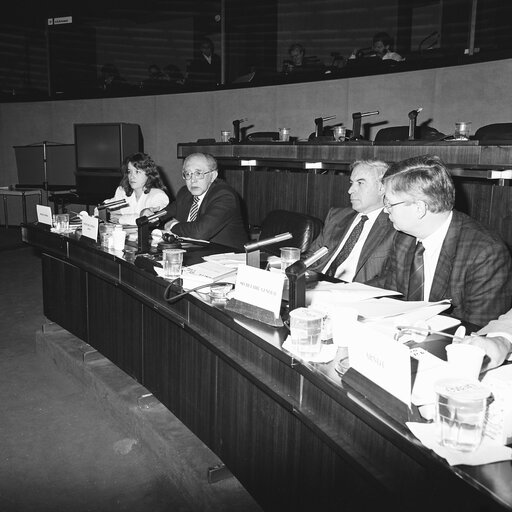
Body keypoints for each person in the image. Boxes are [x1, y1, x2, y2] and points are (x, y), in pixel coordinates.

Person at [378, 154, 512, 326]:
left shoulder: (486, 253)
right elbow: (392, 303)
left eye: (389, 203)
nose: (385, 210)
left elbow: (480, 332)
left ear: (419, 208)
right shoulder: (403, 238)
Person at [303, 160, 395, 282]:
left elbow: (390, 279)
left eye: (360, 183)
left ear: (382, 188)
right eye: (351, 183)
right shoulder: (336, 216)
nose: (350, 190)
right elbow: (312, 257)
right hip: (316, 284)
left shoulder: (395, 226)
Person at [162, 153, 248, 250]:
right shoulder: (185, 193)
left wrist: (173, 225)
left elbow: (200, 232)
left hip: (226, 257)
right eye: (188, 174)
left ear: (213, 176)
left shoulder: (225, 196)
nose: (192, 180)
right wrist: (151, 215)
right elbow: (165, 213)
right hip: (193, 254)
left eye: (198, 173)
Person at [104, 152, 169, 225]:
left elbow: (150, 219)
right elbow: (101, 210)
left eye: (137, 172)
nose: (132, 176)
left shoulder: (158, 195)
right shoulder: (122, 191)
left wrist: (120, 218)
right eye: (129, 171)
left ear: (149, 174)